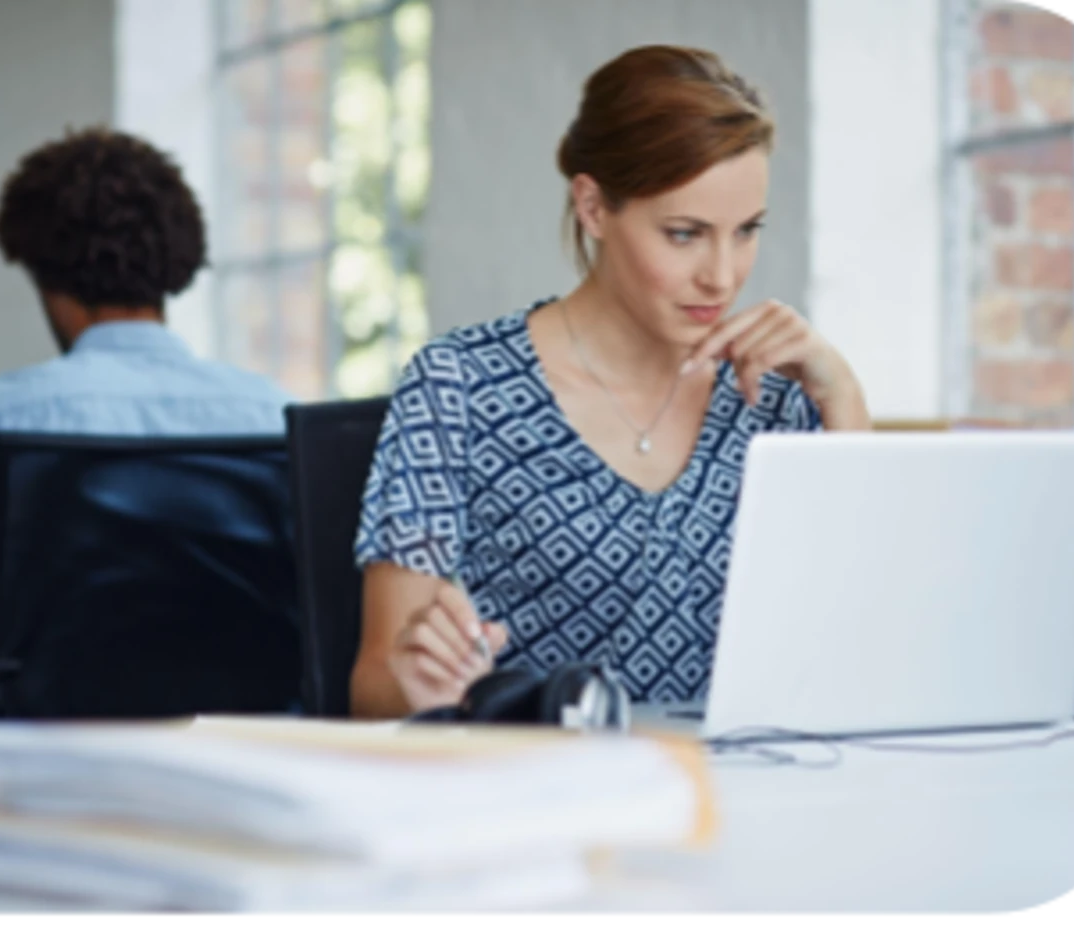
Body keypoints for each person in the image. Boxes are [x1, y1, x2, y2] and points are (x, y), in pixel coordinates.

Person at [350, 45, 871, 718]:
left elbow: (863, 647)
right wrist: (425, 689)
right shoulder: (459, 387)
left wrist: (844, 400)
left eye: (746, 231)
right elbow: (374, 687)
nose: (722, 275)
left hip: (747, 775)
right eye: (684, 234)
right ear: (593, 207)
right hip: (541, 776)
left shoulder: (779, 397)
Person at [0, 128, 294, 658]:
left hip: (47, 714)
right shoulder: (275, 415)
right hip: (242, 714)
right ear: (175, 265)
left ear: (50, 287)